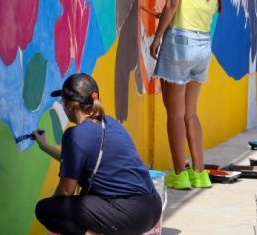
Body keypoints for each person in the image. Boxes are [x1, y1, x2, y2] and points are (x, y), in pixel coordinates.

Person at [33, 73, 162, 235]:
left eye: (62, 102)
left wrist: (53, 208)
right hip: (152, 208)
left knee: (46, 209)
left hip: (129, 214)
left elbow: (66, 191)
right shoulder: (111, 123)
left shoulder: (75, 135)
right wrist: (45, 146)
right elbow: (79, 163)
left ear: (72, 106)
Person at [149, 0, 222, 190]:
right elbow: (188, 11)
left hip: (180, 44)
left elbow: (172, 5)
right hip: (202, 46)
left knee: (174, 114)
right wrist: (167, 17)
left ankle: (180, 174)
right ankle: (200, 174)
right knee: (190, 113)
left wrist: (158, 36)